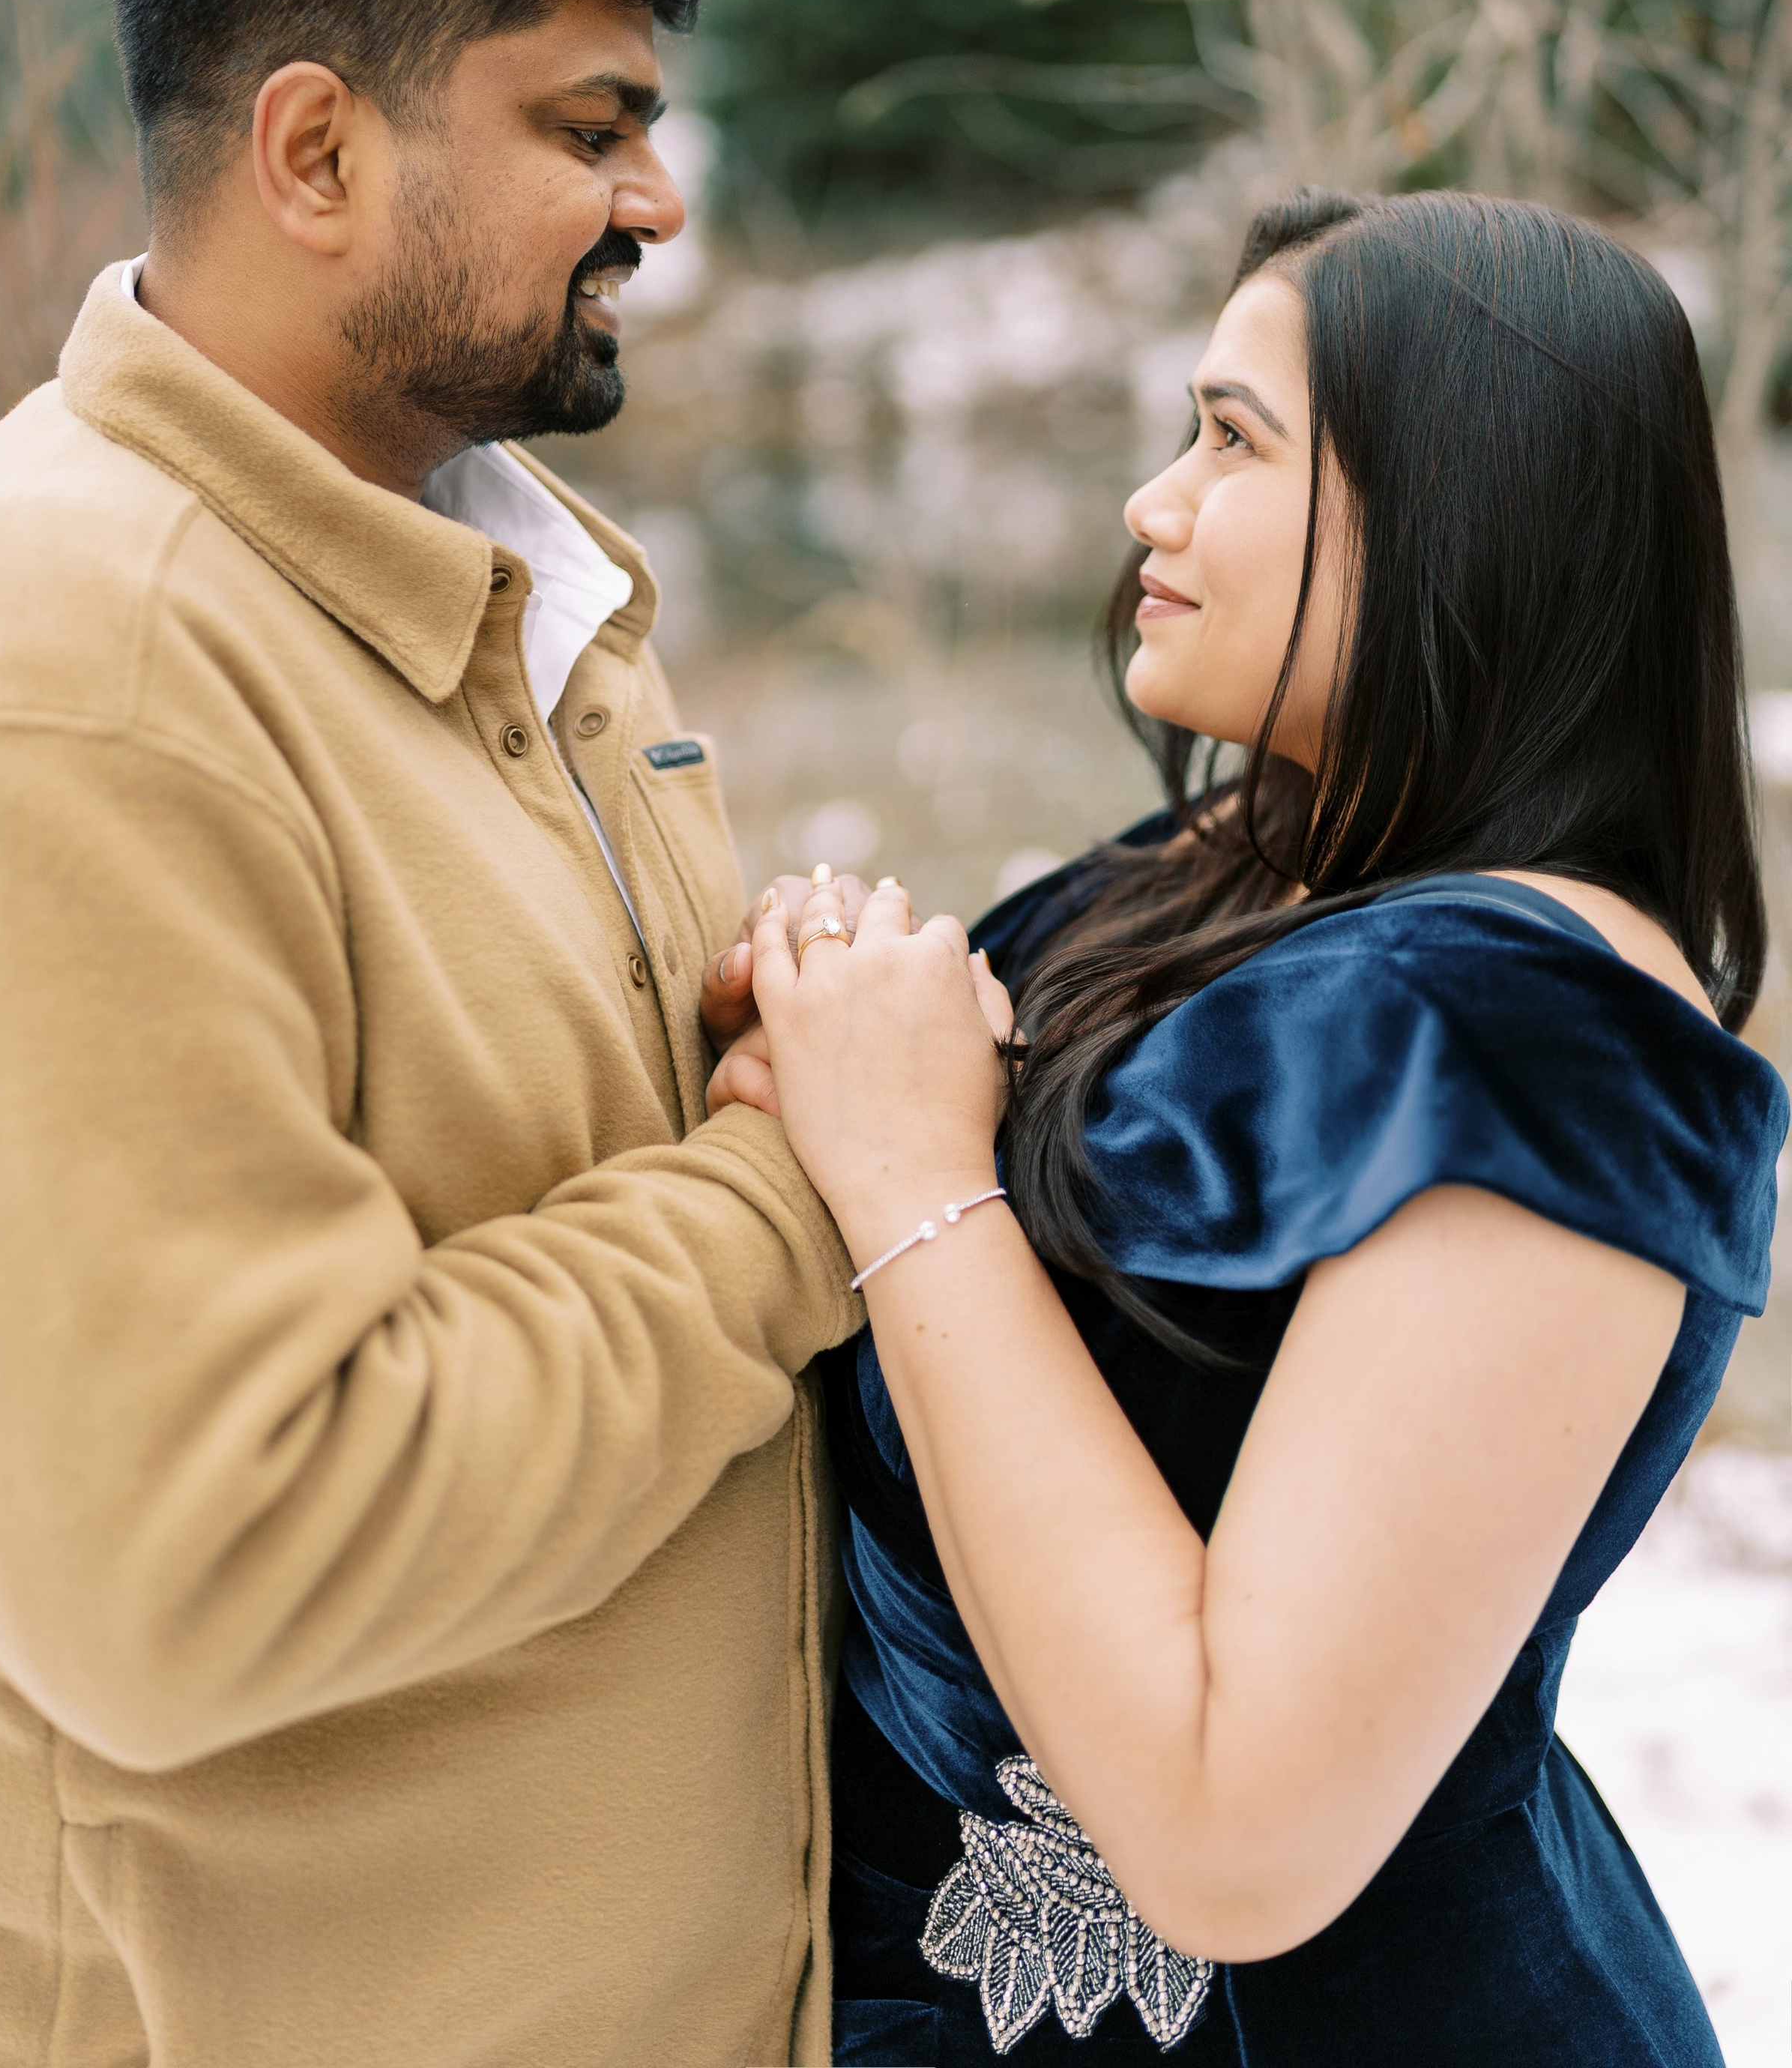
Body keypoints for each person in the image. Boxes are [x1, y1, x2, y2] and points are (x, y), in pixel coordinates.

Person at [0, 0, 866, 2068]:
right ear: (315, 150)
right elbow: (200, 1561)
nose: (660, 203)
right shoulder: (63, 674)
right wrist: (792, 1193)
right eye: (588, 127)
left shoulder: (507, 586)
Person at [710, 189, 1788, 2064]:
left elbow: (1231, 1833)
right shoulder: (1227, 871)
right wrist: (830, 1045)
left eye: (1230, 440)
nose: (1153, 500)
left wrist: (905, 1174)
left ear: (1464, 500)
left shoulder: (1547, 1047)